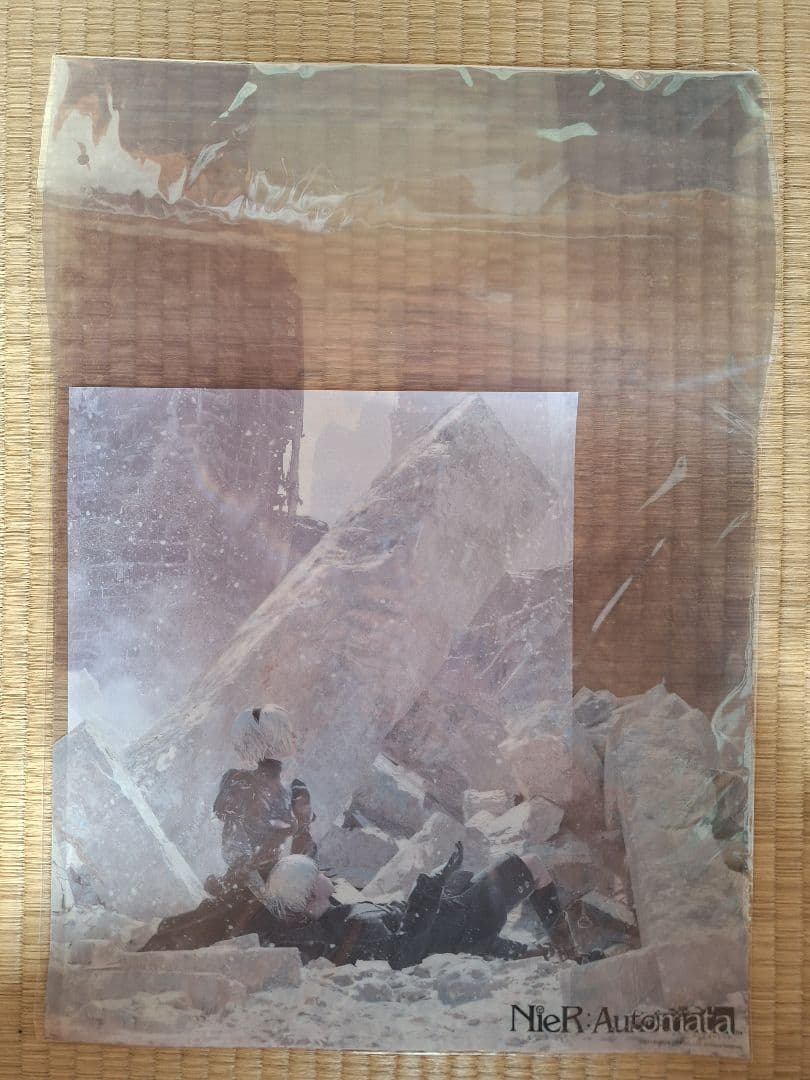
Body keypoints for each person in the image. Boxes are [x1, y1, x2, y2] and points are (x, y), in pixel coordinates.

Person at [142, 704, 314, 951]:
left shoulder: (292, 790)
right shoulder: (244, 783)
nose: (294, 735)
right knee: (195, 929)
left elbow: (301, 847)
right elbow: (236, 839)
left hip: (275, 887)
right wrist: (240, 875)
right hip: (252, 886)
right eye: (287, 729)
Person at [251, 843, 581, 968]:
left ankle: (536, 950)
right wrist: (432, 884)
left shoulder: (331, 922)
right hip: (459, 924)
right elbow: (405, 951)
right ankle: (568, 949)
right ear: (312, 893)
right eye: (317, 874)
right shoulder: (354, 923)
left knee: (468, 876)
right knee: (532, 864)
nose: (324, 873)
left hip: (450, 919)